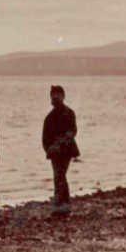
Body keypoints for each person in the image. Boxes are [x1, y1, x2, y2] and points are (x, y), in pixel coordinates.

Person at [42, 84, 80, 215]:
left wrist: (61, 143)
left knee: (59, 176)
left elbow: (72, 131)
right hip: (54, 152)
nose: (55, 97)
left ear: (63, 96)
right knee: (59, 176)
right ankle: (63, 205)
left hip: (67, 150)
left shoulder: (69, 113)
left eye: (57, 94)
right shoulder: (49, 117)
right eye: (53, 95)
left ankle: (61, 206)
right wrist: (49, 149)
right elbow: (45, 137)